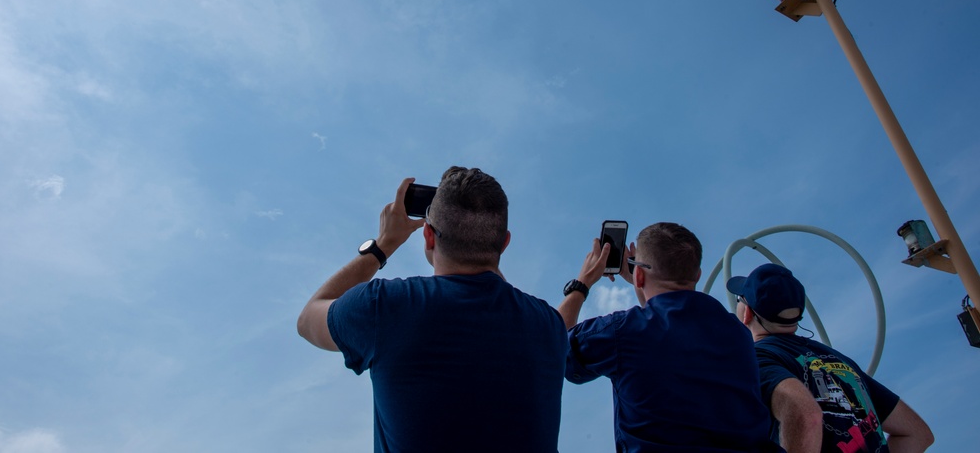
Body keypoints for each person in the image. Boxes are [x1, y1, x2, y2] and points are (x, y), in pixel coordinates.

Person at [297, 167, 568, 453]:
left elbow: (307, 320)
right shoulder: (549, 326)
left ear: (428, 236)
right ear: (505, 242)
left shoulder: (385, 306)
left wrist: (384, 245)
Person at [559, 222, 780, 452]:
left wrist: (581, 283)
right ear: (698, 275)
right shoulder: (739, 334)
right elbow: (667, 326)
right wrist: (642, 284)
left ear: (639, 276)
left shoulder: (622, 332)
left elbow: (555, 345)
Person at [727, 263, 934, 453]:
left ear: (747, 313)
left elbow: (805, 415)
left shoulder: (758, 358)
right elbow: (916, 434)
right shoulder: (839, 361)